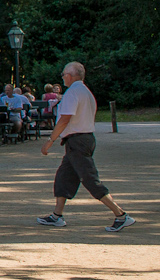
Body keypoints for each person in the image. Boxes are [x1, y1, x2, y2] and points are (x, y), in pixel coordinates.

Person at [38, 62, 133, 231]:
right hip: (82, 139)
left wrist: (50, 140)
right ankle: (57, 215)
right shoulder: (85, 92)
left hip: (77, 141)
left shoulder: (73, 92)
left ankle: (121, 215)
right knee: (64, 177)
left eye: (63, 74)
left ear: (71, 75)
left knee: (90, 179)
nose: (62, 77)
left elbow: (65, 118)